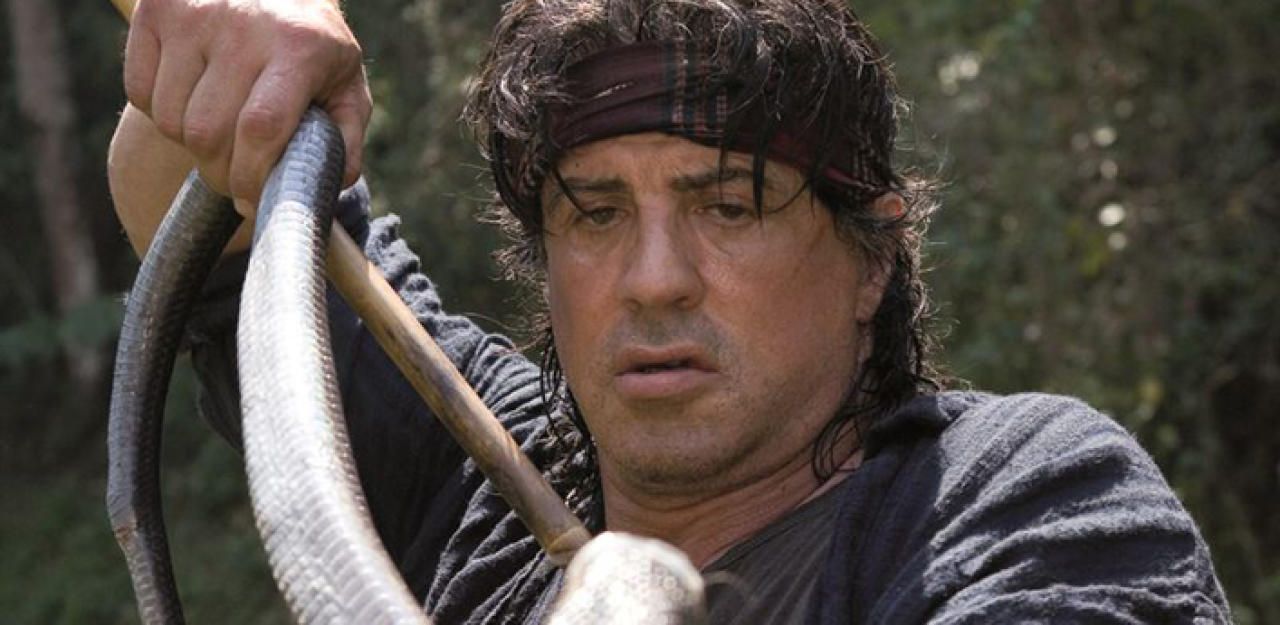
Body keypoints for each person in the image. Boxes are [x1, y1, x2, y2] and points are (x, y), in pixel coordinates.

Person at [108, 0, 1231, 622]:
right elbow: (230, 223)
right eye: (595, 214)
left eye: (728, 207)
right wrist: (239, 37)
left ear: (871, 259)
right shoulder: (479, 476)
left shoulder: (1018, 498)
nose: (653, 279)